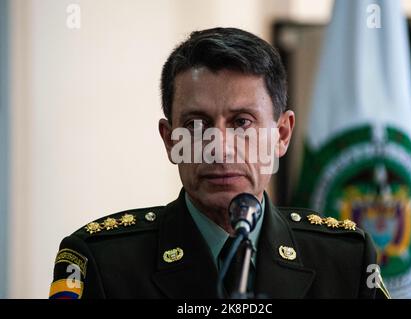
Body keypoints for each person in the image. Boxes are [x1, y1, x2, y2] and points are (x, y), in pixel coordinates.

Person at [49, 27, 390, 299]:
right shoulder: (101, 263)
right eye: (197, 125)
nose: (220, 148)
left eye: (242, 122)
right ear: (170, 140)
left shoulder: (346, 261)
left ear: (282, 134)